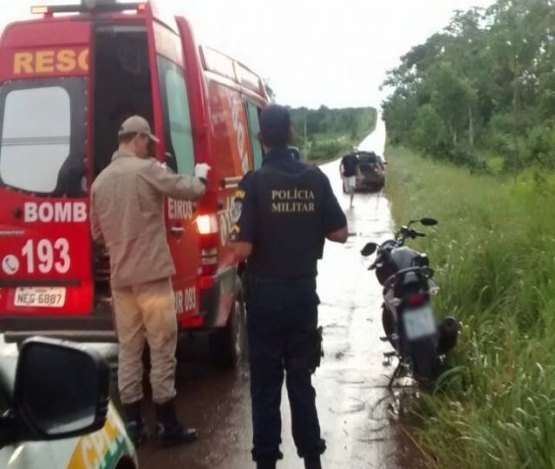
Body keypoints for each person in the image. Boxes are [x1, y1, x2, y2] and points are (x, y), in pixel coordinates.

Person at [230, 105, 348, 469]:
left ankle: (266, 461)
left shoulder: (251, 184)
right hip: (301, 295)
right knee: (301, 375)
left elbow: (243, 248)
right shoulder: (315, 179)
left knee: (265, 381)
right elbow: (340, 232)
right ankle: (312, 457)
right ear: (292, 133)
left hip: (264, 297)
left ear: (263, 138)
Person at [90, 115, 211, 447]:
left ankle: (133, 426)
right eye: (147, 141)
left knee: (129, 349)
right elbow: (190, 191)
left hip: (121, 280)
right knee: (161, 347)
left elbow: (97, 233)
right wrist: (200, 175)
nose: (148, 147)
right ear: (139, 138)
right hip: (153, 278)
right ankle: (168, 425)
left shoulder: (99, 182)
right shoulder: (147, 169)